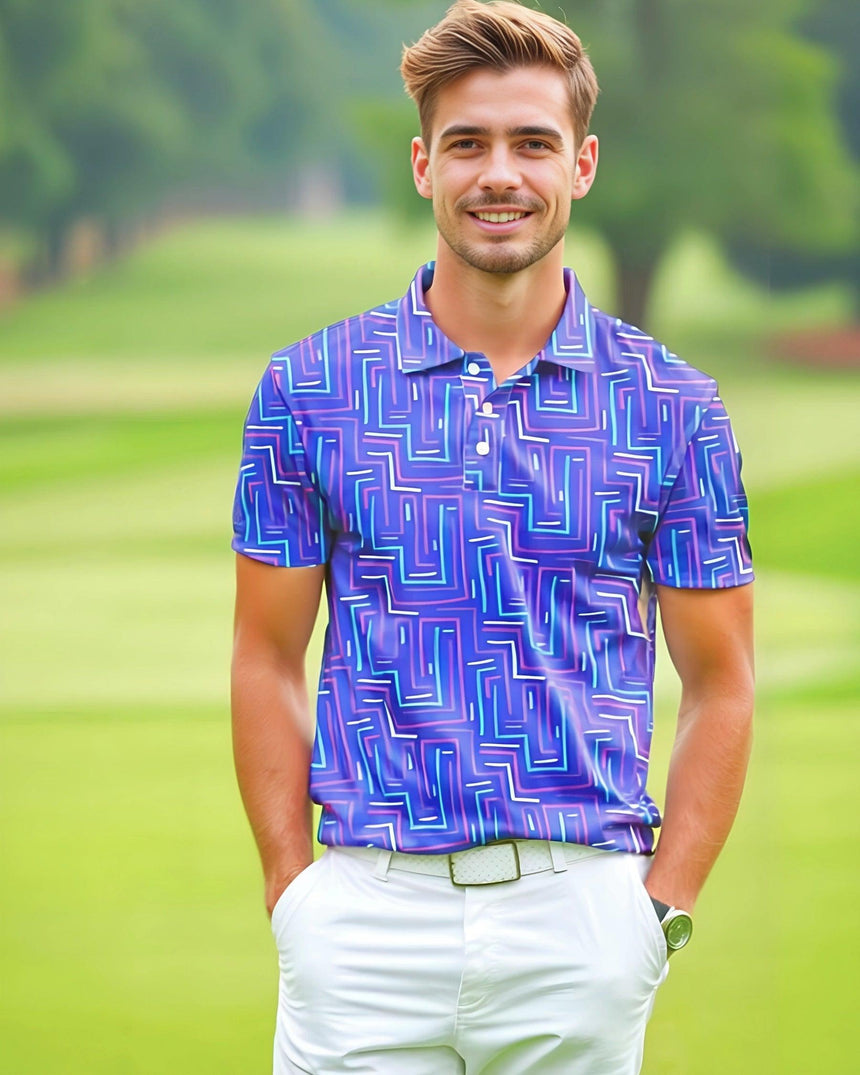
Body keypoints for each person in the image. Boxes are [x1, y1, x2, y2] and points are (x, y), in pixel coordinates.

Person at [230, 1, 755, 1071]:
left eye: (532, 143)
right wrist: (293, 894)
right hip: (363, 921)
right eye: (467, 143)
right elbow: (264, 656)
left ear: (582, 164)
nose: (498, 174)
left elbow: (723, 681)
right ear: (423, 164)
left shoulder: (671, 406)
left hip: (581, 922)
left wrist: (659, 913)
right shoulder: (311, 387)